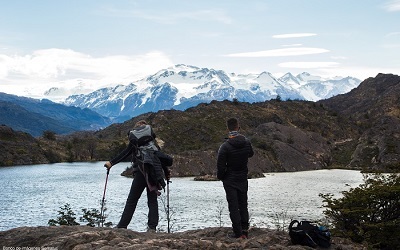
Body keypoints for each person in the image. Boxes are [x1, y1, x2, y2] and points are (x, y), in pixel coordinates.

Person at [104, 120, 172, 232]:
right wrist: (166, 173)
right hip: (153, 173)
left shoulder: (135, 141)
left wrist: (111, 163)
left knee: (132, 200)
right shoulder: (153, 143)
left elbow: (125, 153)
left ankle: (122, 226)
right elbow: (159, 159)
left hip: (140, 173)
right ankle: (152, 228)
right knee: (152, 200)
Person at [217, 117, 254, 239]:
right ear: (238, 127)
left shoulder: (225, 147)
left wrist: (222, 177)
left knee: (233, 206)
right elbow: (251, 154)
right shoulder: (247, 142)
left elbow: (220, 167)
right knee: (243, 205)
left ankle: (237, 233)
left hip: (230, 179)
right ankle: (245, 231)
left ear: (227, 128)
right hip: (243, 177)